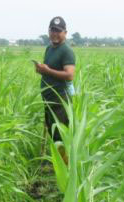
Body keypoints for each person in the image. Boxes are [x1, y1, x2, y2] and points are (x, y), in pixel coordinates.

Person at [34, 16, 75, 164]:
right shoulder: (49, 48)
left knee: (60, 135)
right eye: (52, 30)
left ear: (65, 32)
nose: (55, 34)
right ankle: (55, 163)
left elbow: (69, 75)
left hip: (60, 100)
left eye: (58, 31)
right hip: (48, 99)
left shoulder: (66, 51)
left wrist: (48, 70)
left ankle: (65, 167)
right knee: (52, 132)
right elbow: (49, 70)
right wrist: (41, 70)